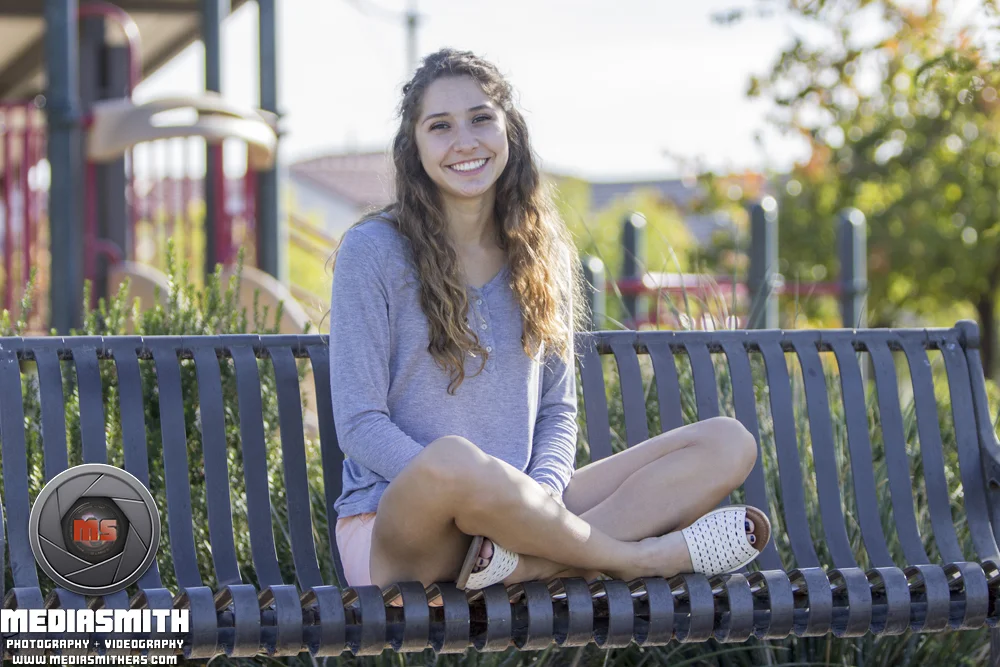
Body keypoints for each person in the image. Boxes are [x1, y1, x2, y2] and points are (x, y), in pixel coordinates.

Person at [328, 47, 770, 594]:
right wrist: (484, 496)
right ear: (414, 147)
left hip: (512, 532)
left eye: (481, 118)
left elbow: (558, 411)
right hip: (402, 529)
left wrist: (534, 499)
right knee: (454, 462)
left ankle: (536, 564)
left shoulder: (542, 253)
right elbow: (360, 424)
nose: (465, 140)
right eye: (440, 126)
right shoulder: (372, 252)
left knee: (728, 443)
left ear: (508, 130)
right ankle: (635, 560)